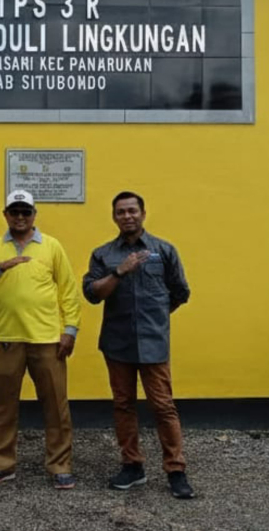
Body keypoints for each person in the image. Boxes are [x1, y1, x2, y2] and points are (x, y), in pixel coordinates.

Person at [0, 189, 83, 491]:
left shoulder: (52, 247)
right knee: (3, 406)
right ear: (5, 214)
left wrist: (70, 329)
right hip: (7, 339)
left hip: (48, 340)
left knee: (56, 406)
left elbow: (68, 290)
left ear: (34, 215)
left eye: (25, 212)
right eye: (14, 212)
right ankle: (1, 464)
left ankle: (60, 465)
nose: (20, 217)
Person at [83, 191, 194, 499]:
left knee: (163, 406)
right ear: (114, 217)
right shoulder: (103, 255)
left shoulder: (164, 250)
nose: (127, 216)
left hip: (154, 342)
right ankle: (132, 466)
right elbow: (92, 293)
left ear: (143, 213)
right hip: (117, 343)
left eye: (132, 210)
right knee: (123, 405)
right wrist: (119, 271)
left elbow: (180, 292)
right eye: (121, 212)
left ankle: (176, 470)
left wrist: (156, 316)